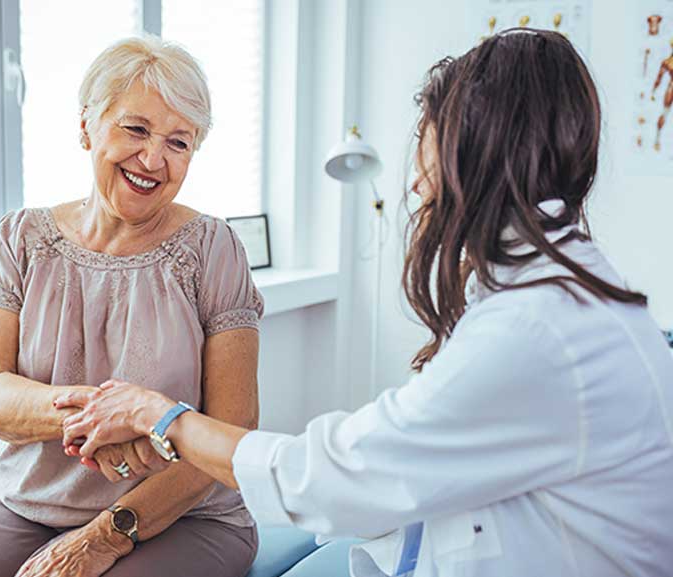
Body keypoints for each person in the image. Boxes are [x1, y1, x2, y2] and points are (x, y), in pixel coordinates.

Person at [55, 30, 673, 577]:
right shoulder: (552, 291)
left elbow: (330, 476)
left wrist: (162, 419)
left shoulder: (537, 328)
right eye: (134, 129)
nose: (415, 183)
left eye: (428, 148)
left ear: (474, 151)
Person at [0, 36, 263, 577]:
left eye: (178, 142)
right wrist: (109, 415)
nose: (153, 160)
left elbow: (235, 425)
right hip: (26, 503)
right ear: (86, 125)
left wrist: (102, 536)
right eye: (136, 129)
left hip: (186, 513)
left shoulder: (214, 249)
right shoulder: (20, 239)